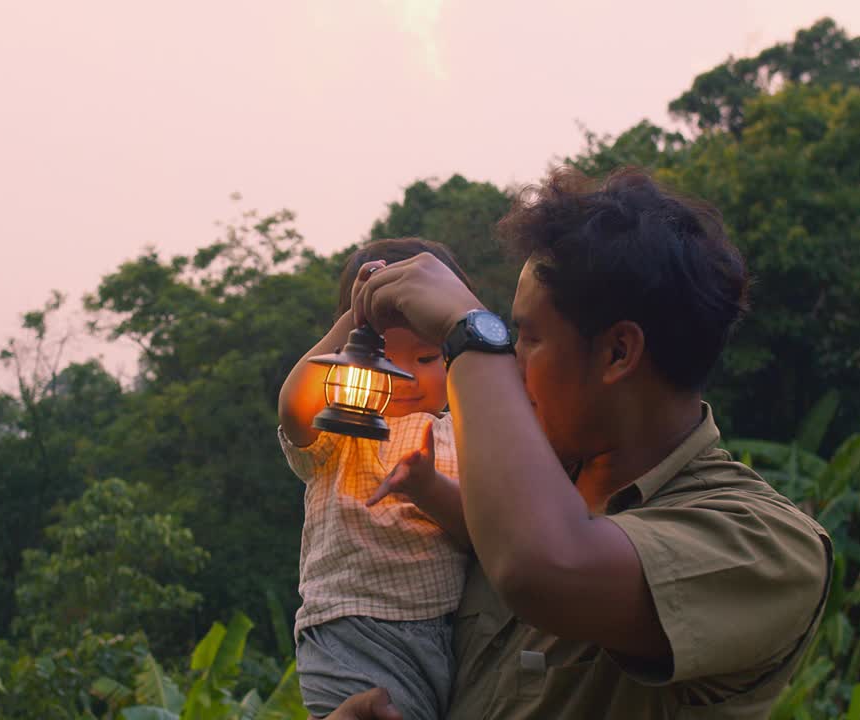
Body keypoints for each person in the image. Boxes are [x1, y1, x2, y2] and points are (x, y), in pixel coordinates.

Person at [326, 167, 833, 719]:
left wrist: (469, 333)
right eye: (507, 336)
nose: (511, 362)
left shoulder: (765, 545)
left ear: (619, 353)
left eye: (527, 338)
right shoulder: (506, 494)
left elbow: (542, 565)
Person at [277, 238, 475, 720]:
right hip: (350, 626)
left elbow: (485, 531)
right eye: (381, 356)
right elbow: (292, 410)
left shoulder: (462, 433)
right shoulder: (343, 426)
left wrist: (428, 488)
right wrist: (354, 319)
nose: (404, 376)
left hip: (440, 630)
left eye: (426, 359)